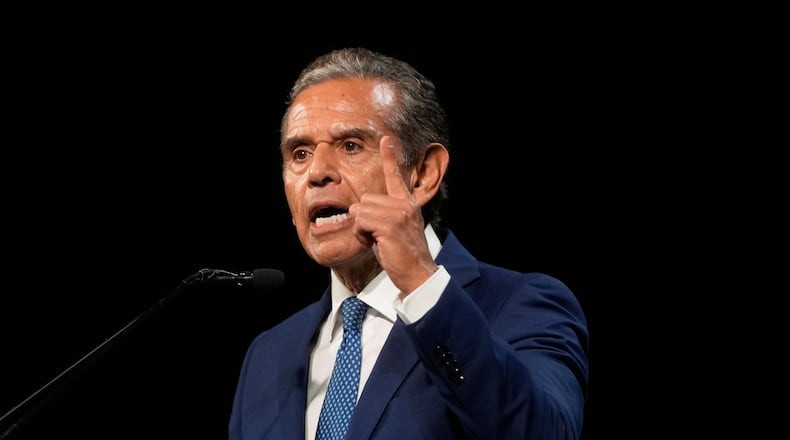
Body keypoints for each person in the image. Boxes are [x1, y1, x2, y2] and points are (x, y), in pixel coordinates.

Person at [228, 47, 590, 440]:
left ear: (423, 173)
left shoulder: (519, 305)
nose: (316, 172)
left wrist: (420, 281)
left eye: (351, 145)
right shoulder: (267, 355)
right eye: (300, 153)